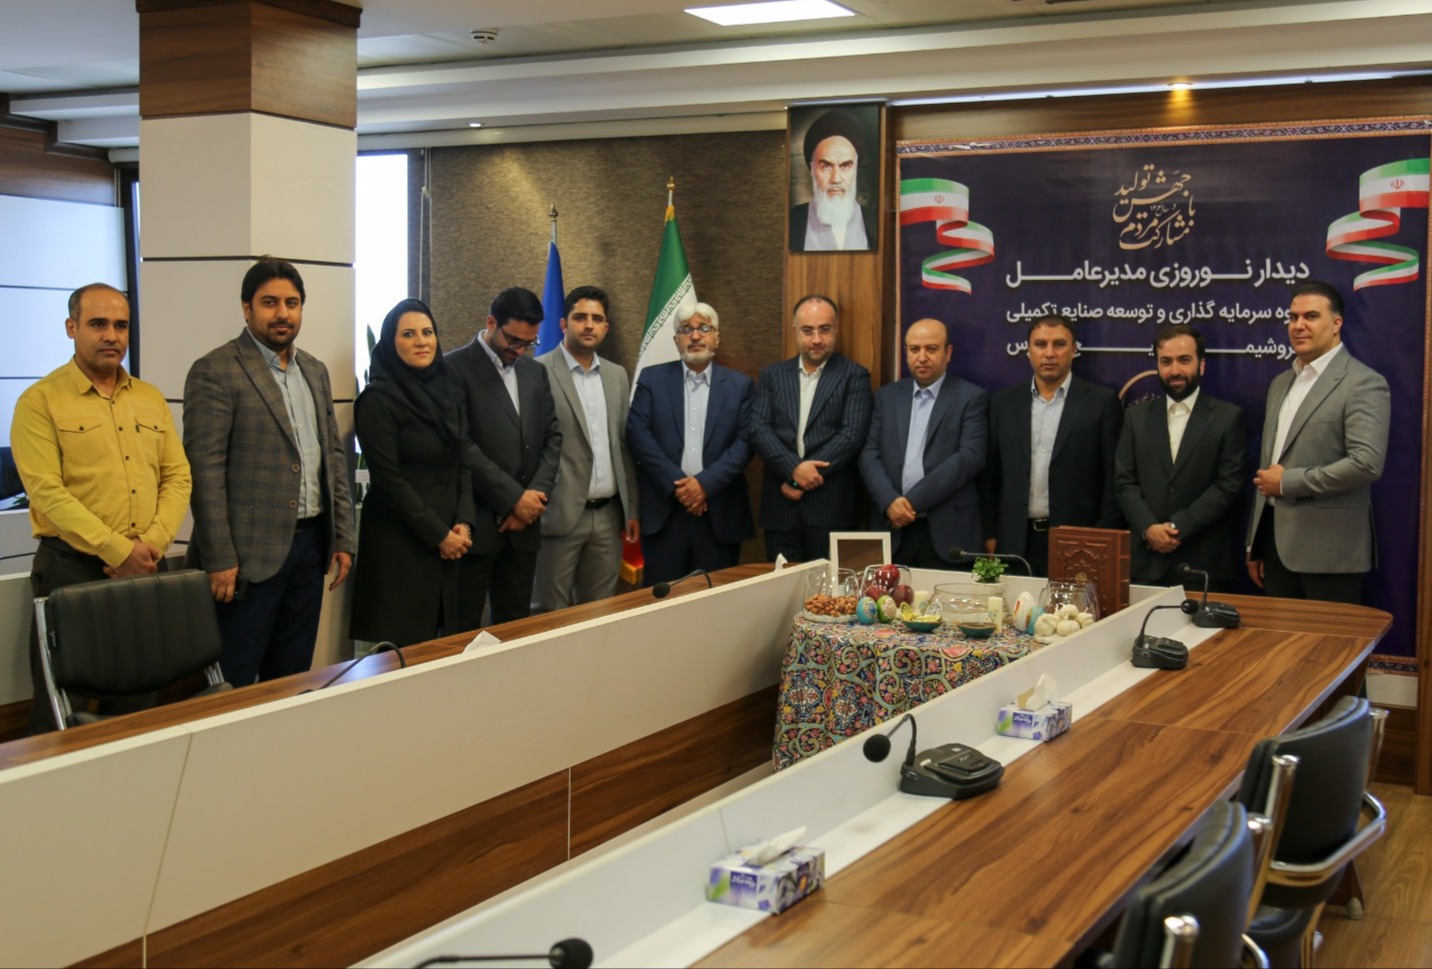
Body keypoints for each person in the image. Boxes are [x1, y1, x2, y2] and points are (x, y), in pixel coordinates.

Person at [11, 283, 192, 732]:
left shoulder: (149, 398)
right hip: (71, 571)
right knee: (59, 713)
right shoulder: (40, 402)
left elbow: (178, 476)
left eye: (121, 325)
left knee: (138, 704)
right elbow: (47, 493)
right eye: (98, 324)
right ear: (71, 328)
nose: (111, 335)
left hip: (144, 570)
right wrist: (118, 551)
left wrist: (149, 546)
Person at [183, 258, 357, 687]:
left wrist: (342, 536)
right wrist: (220, 558)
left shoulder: (314, 371)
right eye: (270, 302)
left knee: (292, 677)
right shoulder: (216, 370)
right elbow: (205, 472)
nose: (283, 313)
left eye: (292, 303)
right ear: (247, 308)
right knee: (234, 681)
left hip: (309, 548)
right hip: (244, 560)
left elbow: (332, 458)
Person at [1247, 281, 1389, 603]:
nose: (1298, 325)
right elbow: (1267, 467)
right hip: (1275, 549)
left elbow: (1366, 464)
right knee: (1280, 637)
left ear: (1336, 323)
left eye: (1311, 316)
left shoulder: (1363, 383)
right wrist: (1256, 542)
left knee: (1331, 638)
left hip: (1330, 554)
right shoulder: (1280, 383)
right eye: (1293, 317)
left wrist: (1288, 483)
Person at [348, 300, 474, 645]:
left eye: (427, 332)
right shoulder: (376, 400)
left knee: (445, 650)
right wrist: (439, 535)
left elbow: (462, 461)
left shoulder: (449, 392)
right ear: (391, 342)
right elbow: (389, 480)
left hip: (450, 542)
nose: (421, 341)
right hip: (400, 545)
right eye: (408, 334)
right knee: (401, 655)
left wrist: (464, 523)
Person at [446, 286, 562, 627]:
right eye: (513, 340)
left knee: (516, 630)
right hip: (475, 524)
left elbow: (552, 437)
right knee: (460, 629)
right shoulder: (453, 368)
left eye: (529, 343)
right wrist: (513, 499)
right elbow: (461, 445)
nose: (520, 350)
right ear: (491, 323)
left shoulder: (535, 372)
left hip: (524, 528)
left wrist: (534, 499)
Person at [980, 314, 1122, 577]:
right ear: (1028, 351)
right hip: (1013, 540)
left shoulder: (1101, 402)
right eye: (1040, 344)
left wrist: (1101, 536)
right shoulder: (1004, 403)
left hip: (1078, 540)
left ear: (1074, 349)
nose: (1049, 353)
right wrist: (989, 534)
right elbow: (991, 475)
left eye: (1059, 344)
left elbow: (1112, 479)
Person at [626, 301, 754, 585]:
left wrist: (704, 485)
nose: (695, 336)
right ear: (676, 340)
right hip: (665, 513)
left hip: (718, 513)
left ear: (716, 337)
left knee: (716, 601)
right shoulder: (652, 379)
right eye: (686, 329)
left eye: (704, 328)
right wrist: (681, 487)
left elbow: (745, 442)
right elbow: (637, 434)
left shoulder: (740, 386)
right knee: (664, 601)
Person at [532, 286, 639, 612]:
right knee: (547, 612)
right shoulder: (538, 372)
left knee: (598, 614)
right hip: (557, 515)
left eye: (597, 319)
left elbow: (623, 447)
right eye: (580, 317)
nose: (589, 325)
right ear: (564, 324)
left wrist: (631, 509)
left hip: (608, 517)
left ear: (606, 328)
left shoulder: (617, 375)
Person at [1114, 325, 1246, 588]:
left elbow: (1228, 486)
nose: (1175, 370)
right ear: (1157, 366)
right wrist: (1149, 528)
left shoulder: (1228, 417)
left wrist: (1176, 528)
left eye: (1184, 360)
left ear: (1201, 365)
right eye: (1166, 361)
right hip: (1145, 562)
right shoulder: (1135, 417)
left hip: (1202, 563)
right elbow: (1123, 481)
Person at [747, 294, 872, 562]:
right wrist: (793, 469)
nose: (816, 339)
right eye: (808, 330)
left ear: (836, 329)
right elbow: (758, 428)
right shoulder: (772, 375)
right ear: (795, 330)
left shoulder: (854, 375)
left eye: (824, 329)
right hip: (780, 510)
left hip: (830, 510)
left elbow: (851, 436)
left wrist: (799, 481)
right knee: (781, 586)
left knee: (829, 587)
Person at [858, 319, 988, 568]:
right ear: (906, 353)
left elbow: (970, 457)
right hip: (892, 527)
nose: (922, 357)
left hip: (947, 530)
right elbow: (869, 452)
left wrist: (910, 503)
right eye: (914, 349)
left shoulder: (971, 398)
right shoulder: (887, 397)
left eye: (931, 349)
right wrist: (889, 501)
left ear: (948, 353)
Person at [789, 108, 877, 252]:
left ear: (855, 169)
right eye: (826, 166)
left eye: (845, 166)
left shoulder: (874, 223)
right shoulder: (792, 221)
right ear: (812, 169)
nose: (836, 179)